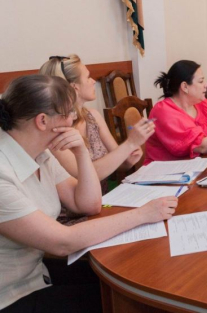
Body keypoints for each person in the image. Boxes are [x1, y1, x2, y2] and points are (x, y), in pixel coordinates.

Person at [0, 75, 177, 312]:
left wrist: (81, 152)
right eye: (68, 113)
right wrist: (143, 214)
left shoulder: (41, 153)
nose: (74, 117)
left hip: (36, 275)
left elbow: (89, 204)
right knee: (124, 301)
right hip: (9, 296)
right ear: (42, 121)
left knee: (134, 280)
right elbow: (63, 242)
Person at [39, 55, 153, 199]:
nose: (93, 81)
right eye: (88, 77)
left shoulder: (93, 117)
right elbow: (83, 176)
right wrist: (129, 144)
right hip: (77, 206)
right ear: (75, 87)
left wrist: (129, 157)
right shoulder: (55, 131)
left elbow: (120, 164)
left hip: (105, 200)